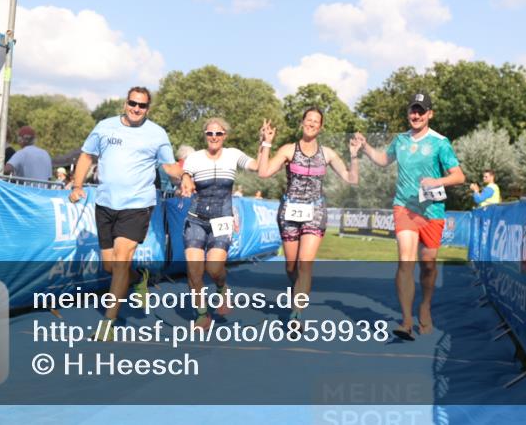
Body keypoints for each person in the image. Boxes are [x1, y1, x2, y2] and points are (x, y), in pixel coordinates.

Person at [68, 87, 186, 341]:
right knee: (111, 265)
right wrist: (77, 185)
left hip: (137, 205)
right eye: (133, 103)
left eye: (142, 106)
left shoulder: (156, 133)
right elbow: (87, 156)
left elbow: (169, 166)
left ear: (148, 109)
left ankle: (108, 323)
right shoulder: (104, 126)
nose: (136, 108)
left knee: (122, 259)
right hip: (106, 204)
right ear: (125, 103)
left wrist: (184, 176)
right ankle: (139, 277)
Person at [356, 92, 465, 341]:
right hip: (404, 207)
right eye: (412, 111)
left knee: (428, 265)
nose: (415, 115)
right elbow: (384, 160)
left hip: (432, 212)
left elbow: (459, 176)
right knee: (405, 260)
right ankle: (405, 321)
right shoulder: (400, 140)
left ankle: (425, 304)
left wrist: (438, 180)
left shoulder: (440, 142)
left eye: (421, 111)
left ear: (430, 114)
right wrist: (365, 147)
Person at [258, 109, 362, 324]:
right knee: (291, 266)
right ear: (302, 122)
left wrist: (354, 155)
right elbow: (264, 172)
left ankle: (297, 312)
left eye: (316, 122)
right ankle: (297, 291)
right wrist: (266, 144)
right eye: (309, 120)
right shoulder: (288, 150)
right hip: (289, 211)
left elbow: (351, 179)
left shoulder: (328, 154)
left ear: (320, 127)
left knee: (305, 264)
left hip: (315, 211)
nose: (312, 124)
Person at [179, 117, 262, 330]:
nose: (214, 137)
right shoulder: (195, 158)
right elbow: (186, 175)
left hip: (222, 219)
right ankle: (202, 314)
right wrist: (186, 181)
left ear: (225, 135)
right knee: (194, 270)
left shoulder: (234, 154)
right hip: (196, 219)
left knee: (214, 268)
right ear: (205, 135)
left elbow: (258, 167)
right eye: (209, 133)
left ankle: (222, 287)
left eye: (218, 133)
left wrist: (265, 143)